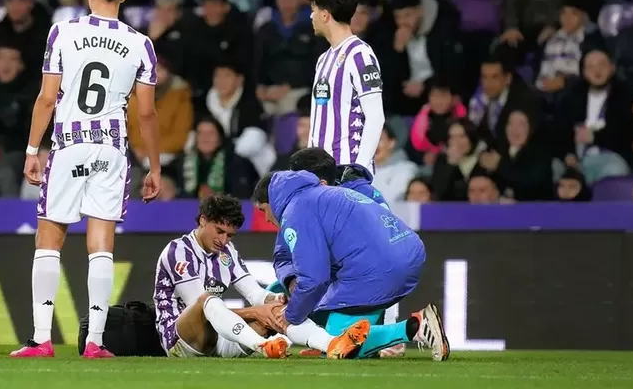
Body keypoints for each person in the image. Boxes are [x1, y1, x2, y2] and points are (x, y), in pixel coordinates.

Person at [14, 0, 161, 359]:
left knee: (49, 239)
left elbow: (47, 98)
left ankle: (41, 339)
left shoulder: (63, 32)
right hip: (111, 148)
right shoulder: (140, 44)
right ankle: (95, 341)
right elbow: (147, 114)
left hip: (69, 142)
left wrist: (32, 150)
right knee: (101, 244)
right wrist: (155, 166)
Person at [252, 170, 450, 361]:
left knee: (338, 343)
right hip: (408, 250)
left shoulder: (295, 212)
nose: (267, 219)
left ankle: (416, 327)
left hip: (376, 267)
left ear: (273, 200)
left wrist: (290, 316)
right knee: (312, 304)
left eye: (263, 210)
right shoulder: (323, 194)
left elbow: (314, 279)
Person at [268, 147, 405, 359]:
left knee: (339, 343)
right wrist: (290, 279)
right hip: (344, 276)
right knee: (275, 292)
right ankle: (322, 336)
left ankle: (409, 328)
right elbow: (286, 254)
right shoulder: (312, 201)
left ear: (320, 182)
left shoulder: (356, 196)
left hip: (365, 278)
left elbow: (381, 256)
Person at [153, 195, 294, 359]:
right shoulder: (178, 251)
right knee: (206, 300)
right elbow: (200, 307)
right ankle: (262, 345)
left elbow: (255, 293)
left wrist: (275, 300)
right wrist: (255, 312)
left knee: (271, 314)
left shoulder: (228, 252)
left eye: (229, 235)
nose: (223, 240)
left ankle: (319, 344)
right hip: (180, 340)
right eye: (219, 231)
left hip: (215, 336)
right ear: (203, 220)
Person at [306, 0, 385, 184]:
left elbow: (376, 116)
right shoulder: (323, 60)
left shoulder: (360, 55)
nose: (311, 16)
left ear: (325, 15)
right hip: (320, 174)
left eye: (313, 10)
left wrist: (359, 168)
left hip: (346, 171)